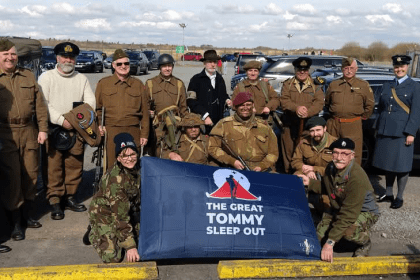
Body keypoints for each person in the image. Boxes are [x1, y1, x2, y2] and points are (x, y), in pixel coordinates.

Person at [38, 42, 96, 220]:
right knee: (53, 167)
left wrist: (73, 121)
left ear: (75, 59)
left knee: (74, 165)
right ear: (57, 58)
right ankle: (55, 200)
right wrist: (62, 120)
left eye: (71, 57)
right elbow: (43, 104)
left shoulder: (81, 79)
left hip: (76, 129)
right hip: (54, 129)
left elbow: (90, 103)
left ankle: (69, 197)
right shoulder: (46, 77)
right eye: (64, 57)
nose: (68, 60)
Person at [299, 138, 380, 262]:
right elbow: (328, 188)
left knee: (347, 231)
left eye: (344, 154)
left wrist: (330, 244)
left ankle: (365, 242)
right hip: (342, 206)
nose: (339, 157)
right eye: (335, 153)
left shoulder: (356, 177)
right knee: (318, 237)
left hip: (364, 211)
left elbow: (348, 215)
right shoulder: (331, 167)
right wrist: (310, 183)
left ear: (352, 156)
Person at [0, 39, 48, 240]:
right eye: (5, 54)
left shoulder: (28, 75)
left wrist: (43, 129)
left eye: (13, 54)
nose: (10, 58)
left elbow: (40, 105)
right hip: (5, 132)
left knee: (30, 174)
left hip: (28, 129)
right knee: (12, 178)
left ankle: (27, 215)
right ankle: (16, 222)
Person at [372, 55, 420, 209]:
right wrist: (377, 128)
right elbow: (381, 109)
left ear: (407, 67)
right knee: (388, 164)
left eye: (402, 67)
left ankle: (399, 197)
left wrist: (411, 132)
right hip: (386, 130)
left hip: (402, 132)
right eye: (396, 67)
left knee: (402, 166)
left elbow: (416, 112)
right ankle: (389, 193)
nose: (399, 69)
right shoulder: (387, 85)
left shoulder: (414, 86)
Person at [88, 133, 141, 263]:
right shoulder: (115, 181)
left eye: (132, 154)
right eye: (125, 155)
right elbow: (120, 216)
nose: (129, 159)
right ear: (118, 158)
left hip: (127, 208)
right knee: (113, 257)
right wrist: (130, 246)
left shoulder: (139, 167)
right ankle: (94, 232)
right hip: (106, 214)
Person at [95, 49, 149, 169]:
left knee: (132, 163)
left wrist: (144, 134)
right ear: (113, 65)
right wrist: (99, 125)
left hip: (133, 130)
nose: (123, 66)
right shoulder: (103, 84)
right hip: (111, 130)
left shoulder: (138, 84)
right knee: (111, 165)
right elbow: (97, 109)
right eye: (119, 64)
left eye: (126, 63)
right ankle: (109, 187)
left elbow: (145, 113)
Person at [208, 92, 278, 172]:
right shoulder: (224, 124)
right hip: (233, 169)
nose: (245, 108)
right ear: (236, 107)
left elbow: (273, 153)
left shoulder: (264, 127)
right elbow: (212, 148)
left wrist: (262, 166)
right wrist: (231, 161)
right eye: (242, 105)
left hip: (261, 170)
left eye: (248, 105)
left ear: (253, 106)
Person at [325, 57, 375, 165]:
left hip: (353, 124)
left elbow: (370, 105)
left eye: (351, 68)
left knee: (353, 154)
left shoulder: (363, 85)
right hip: (334, 124)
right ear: (342, 69)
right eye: (346, 68)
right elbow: (327, 103)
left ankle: (351, 179)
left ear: (356, 69)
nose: (349, 71)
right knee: (330, 152)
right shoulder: (334, 84)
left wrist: (361, 118)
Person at [279, 57, 324, 173]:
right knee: (288, 152)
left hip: (307, 127)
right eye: (299, 70)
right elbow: (284, 100)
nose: (302, 72)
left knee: (306, 152)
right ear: (295, 70)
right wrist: (296, 108)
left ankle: (303, 176)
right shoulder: (288, 84)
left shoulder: (316, 85)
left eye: (305, 70)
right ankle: (289, 176)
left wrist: (308, 112)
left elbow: (319, 103)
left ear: (308, 70)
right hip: (289, 124)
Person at [144, 54, 187, 156]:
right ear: (159, 67)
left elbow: (183, 108)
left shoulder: (179, 84)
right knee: (155, 155)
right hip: (156, 128)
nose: (167, 69)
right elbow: (144, 105)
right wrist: (147, 112)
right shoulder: (150, 83)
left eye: (169, 66)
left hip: (174, 128)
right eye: (164, 66)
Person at [187, 50, 231, 134]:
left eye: (214, 62)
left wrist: (227, 100)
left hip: (218, 123)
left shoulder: (220, 79)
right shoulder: (196, 79)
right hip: (201, 123)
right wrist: (204, 115)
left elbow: (223, 95)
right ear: (204, 63)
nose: (213, 64)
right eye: (209, 62)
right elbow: (191, 101)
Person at [232, 60, 280, 125]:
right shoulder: (240, 87)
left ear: (258, 73)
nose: (253, 73)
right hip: (245, 122)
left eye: (255, 71)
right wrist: (247, 109)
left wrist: (268, 107)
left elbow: (275, 99)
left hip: (263, 120)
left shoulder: (265, 85)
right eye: (250, 71)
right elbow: (234, 104)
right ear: (246, 72)